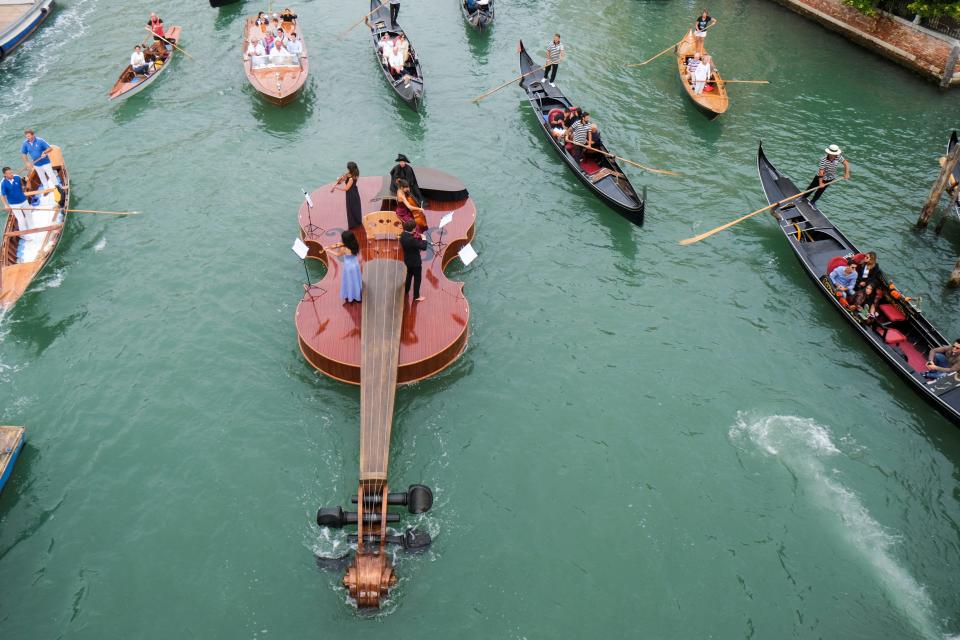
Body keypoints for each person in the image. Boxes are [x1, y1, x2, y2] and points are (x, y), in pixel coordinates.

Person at [400, 219, 428, 302]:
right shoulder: (411, 240)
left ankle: (406, 290)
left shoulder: (402, 235)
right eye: (414, 229)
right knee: (417, 278)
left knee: (408, 276)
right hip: (415, 263)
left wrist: (414, 237)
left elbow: (412, 243)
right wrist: (424, 239)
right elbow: (423, 247)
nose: (415, 230)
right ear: (412, 229)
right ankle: (416, 296)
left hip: (407, 260)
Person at [331, 162, 363, 229]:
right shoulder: (354, 173)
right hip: (354, 191)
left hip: (351, 194)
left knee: (351, 208)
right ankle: (356, 221)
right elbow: (341, 180)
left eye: (348, 168)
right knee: (354, 208)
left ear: (351, 169)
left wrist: (335, 187)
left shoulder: (351, 178)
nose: (347, 170)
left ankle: (354, 224)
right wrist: (340, 179)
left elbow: (346, 188)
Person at [337, 230, 362, 304]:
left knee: (350, 281)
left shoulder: (344, 249)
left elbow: (338, 255)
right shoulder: (355, 244)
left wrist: (328, 250)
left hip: (348, 267)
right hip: (355, 265)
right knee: (355, 280)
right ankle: (357, 296)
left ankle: (351, 296)